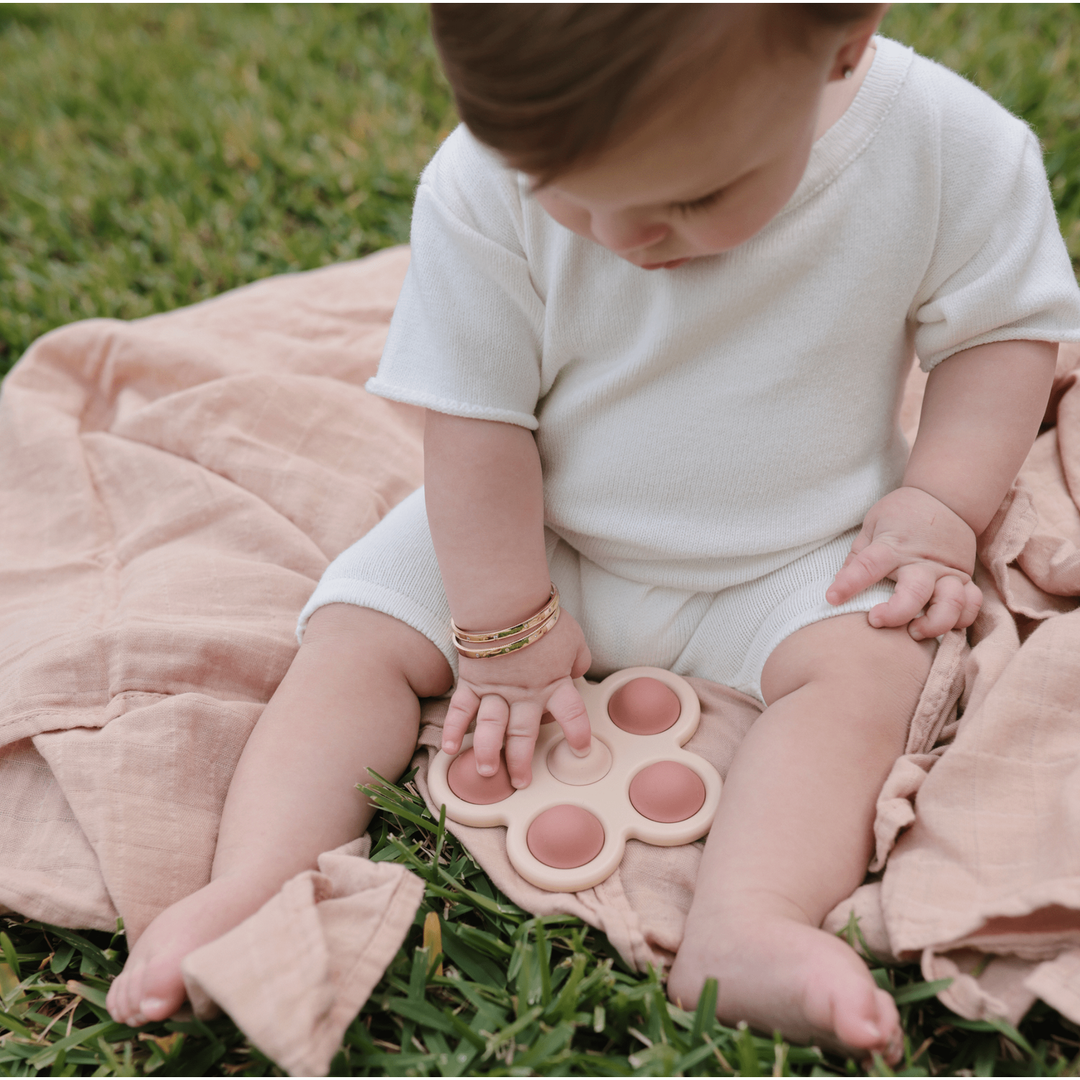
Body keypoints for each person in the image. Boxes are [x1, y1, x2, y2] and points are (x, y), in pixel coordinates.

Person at [107, 4, 1080, 1060]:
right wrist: (502, 622)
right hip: (533, 532)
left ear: (842, 41)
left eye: (694, 196)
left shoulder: (949, 146)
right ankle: (256, 879)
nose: (620, 237)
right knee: (356, 637)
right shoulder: (480, 180)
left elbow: (999, 335)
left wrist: (939, 504)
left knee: (871, 673)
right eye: (562, 189)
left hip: (801, 548)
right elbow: (476, 425)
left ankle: (748, 922)